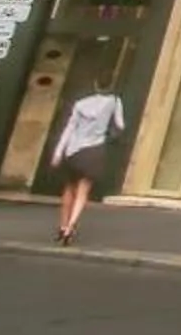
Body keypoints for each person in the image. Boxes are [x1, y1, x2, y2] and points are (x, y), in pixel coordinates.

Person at [50, 74, 128, 244]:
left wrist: (58, 152)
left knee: (68, 189)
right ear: (111, 86)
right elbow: (120, 125)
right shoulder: (114, 101)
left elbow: (69, 129)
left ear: (95, 84)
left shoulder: (80, 104)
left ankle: (62, 226)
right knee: (83, 191)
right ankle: (71, 228)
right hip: (93, 150)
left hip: (73, 150)